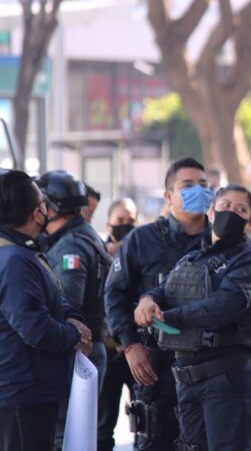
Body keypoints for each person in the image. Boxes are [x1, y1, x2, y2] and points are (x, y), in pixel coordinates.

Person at [134, 184, 251, 450]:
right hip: (187, 380)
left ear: (250, 224)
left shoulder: (250, 259)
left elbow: (225, 305)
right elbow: (165, 288)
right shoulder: (194, 257)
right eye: (225, 205)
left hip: (226, 379)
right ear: (211, 212)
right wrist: (147, 301)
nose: (231, 212)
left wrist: (169, 317)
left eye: (240, 210)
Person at [105, 157, 214, 450]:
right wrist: (130, 345)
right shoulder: (143, 239)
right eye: (188, 186)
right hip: (156, 368)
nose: (199, 191)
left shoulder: (224, 240)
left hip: (211, 368)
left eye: (204, 185)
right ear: (168, 196)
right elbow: (115, 295)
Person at [0, 170, 92, 451]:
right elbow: (34, 327)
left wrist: (73, 319)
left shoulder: (23, 252)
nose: (47, 209)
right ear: (33, 212)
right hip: (22, 395)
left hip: (30, 391)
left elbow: (54, 299)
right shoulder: (14, 259)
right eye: (42, 203)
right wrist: (73, 335)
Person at [98, 197, 138, 451]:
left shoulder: (143, 254)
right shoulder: (97, 253)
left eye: (130, 221)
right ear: (109, 223)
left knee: (144, 422)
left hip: (137, 351)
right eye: (120, 220)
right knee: (103, 424)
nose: (125, 225)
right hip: (109, 352)